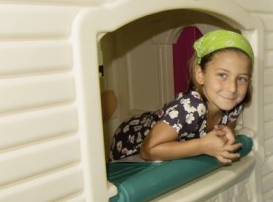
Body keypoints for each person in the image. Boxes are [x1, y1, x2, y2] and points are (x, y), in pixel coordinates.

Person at [108, 29, 253, 165]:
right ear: (200, 74)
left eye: (241, 78)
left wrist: (225, 130)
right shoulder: (191, 107)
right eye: (222, 75)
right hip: (131, 140)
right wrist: (202, 146)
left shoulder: (233, 105)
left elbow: (226, 126)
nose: (233, 88)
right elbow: (148, 150)